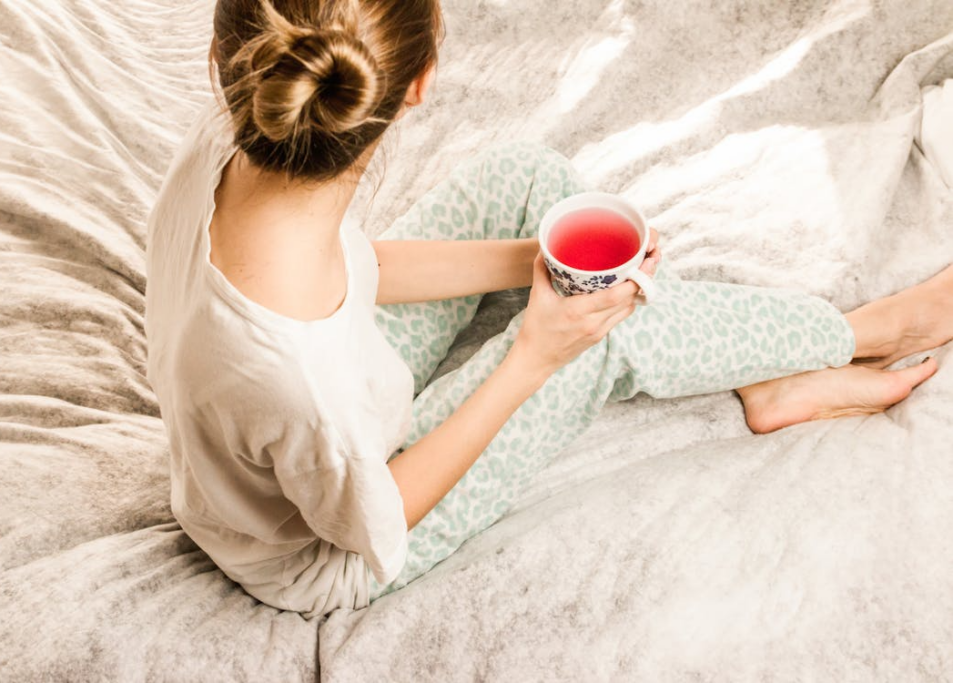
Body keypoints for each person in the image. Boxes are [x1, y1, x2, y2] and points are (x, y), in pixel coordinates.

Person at [143, 0, 951, 620]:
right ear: (421, 83)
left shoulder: (234, 138)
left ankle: (759, 368)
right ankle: (860, 334)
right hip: (331, 548)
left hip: (336, 385)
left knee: (527, 181)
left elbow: (357, 269)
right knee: (596, 339)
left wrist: (532, 262)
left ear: (224, 59)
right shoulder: (296, 382)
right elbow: (374, 518)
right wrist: (536, 350)